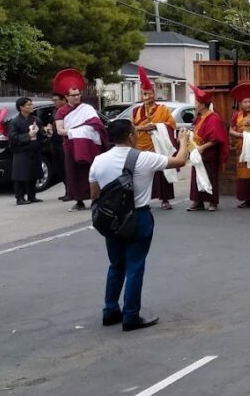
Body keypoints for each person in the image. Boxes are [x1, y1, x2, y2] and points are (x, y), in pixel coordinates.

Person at [90, 119, 190, 331]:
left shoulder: (98, 160)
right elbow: (180, 161)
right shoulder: (145, 158)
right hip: (139, 216)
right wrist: (183, 140)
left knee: (116, 265)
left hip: (111, 219)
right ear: (130, 136)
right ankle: (131, 315)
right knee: (135, 266)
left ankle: (110, 311)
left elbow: (94, 194)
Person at [54, 69, 107, 212]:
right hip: (71, 145)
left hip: (89, 145)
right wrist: (77, 132)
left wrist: (83, 132)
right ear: (66, 96)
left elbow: (97, 125)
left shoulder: (87, 108)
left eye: (78, 94)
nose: (77, 97)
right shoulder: (61, 111)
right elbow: (60, 130)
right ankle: (79, 200)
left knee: (92, 171)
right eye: (73, 95)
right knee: (74, 172)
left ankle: (96, 197)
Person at [131, 67, 178, 210]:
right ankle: (143, 201)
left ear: (154, 94)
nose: (147, 97)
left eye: (150, 94)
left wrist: (157, 126)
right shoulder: (136, 110)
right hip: (141, 146)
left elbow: (172, 124)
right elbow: (131, 128)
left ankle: (165, 200)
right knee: (142, 175)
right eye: (145, 94)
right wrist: (142, 128)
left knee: (163, 172)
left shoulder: (162, 109)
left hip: (158, 146)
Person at [187, 84, 229, 212]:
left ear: (202, 104)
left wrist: (203, 147)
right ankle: (198, 201)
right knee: (196, 177)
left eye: (196, 102)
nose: (194, 104)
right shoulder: (199, 118)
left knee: (210, 176)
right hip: (197, 151)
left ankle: (212, 202)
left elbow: (216, 138)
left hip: (208, 153)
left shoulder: (213, 118)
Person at [7, 97, 44, 205]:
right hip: (21, 150)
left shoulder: (36, 120)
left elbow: (41, 135)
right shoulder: (15, 122)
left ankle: (32, 195)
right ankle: (20, 197)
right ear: (21, 107)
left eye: (31, 104)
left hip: (34, 149)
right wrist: (28, 135)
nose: (31, 106)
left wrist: (44, 133)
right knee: (20, 175)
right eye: (28, 105)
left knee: (33, 173)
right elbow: (13, 137)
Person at [45, 92, 69, 201]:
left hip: (65, 143)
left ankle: (71, 191)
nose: (54, 102)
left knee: (67, 168)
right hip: (55, 143)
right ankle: (67, 190)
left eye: (56, 100)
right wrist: (48, 128)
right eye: (53, 100)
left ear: (64, 100)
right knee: (60, 169)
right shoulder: (55, 111)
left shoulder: (69, 111)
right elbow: (50, 122)